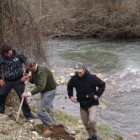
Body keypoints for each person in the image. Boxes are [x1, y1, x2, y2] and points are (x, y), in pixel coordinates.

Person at [67, 62, 105, 140]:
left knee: (92, 121)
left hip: (92, 103)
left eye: (80, 72)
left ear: (84, 69)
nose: (79, 74)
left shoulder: (91, 77)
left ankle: (94, 136)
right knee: (85, 123)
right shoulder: (74, 79)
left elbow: (102, 84)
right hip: (82, 104)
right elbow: (69, 86)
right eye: (77, 72)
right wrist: (71, 96)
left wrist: (97, 95)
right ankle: (90, 136)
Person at [0, 44, 33, 122]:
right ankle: (1, 113)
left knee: (22, 97)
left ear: (11, 49)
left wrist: (26, 74)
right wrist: (0, 79)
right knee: (1, 95)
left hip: (18, 80)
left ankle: (28, 116)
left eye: (9, 53)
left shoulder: (18, 55)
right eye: (6, 54)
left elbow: (27, 63)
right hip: (7, 81)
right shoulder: (1, 57)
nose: (8, 55)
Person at [22, 59, 57, 126]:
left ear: (33, 65)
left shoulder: (41, 70)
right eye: (27, 69)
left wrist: (28, 94)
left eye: (29, 69)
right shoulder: (34, 70)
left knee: (40, 111)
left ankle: (50, 125)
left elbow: (41, 86)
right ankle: (54, 124)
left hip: (49, 91)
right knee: (49, 109)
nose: (29, 70)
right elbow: (35, 81)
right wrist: (29, 78)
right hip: (44, 92)